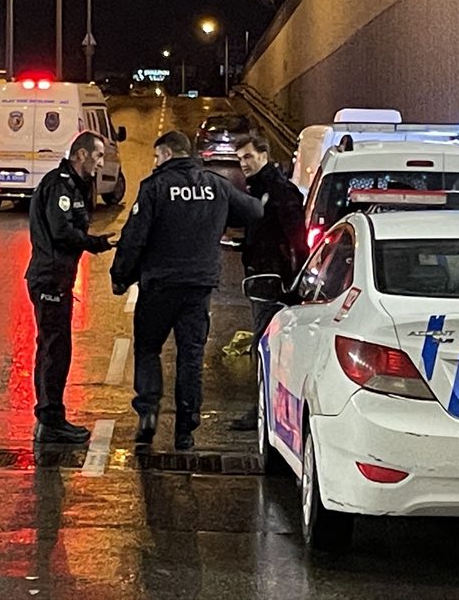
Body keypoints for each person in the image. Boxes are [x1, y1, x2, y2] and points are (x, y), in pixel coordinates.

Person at [111, 130, 262, 450]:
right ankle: (185, 429)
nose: (154, 162)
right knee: (190, 356)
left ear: (167, 154)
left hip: (159, 286)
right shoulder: (216, 186)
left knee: (149, 348)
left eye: (156, 156)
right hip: (199, 287)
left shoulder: (154, 188)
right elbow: (254, 211)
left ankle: (149, 413)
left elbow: (134, 237)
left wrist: (121, 276)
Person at [26, 131, 114, 444]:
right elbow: (62, 231)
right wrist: (97, 243)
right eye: (98, 156)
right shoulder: (59, 185)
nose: (101, 162)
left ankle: (50, 417)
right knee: (54, 348)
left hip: (58, 277)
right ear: (80, 155)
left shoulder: (75, 185)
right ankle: (50, 420)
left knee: (55, 346)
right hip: (49, 278)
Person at [229, 134, 308, 431]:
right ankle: (268, 406)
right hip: (262, 278)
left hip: (273, 283)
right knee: (267, 345)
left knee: (264, 346)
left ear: (264, 154)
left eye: (248, 157)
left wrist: (296, 278)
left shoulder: (278, 191)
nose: (244, 164)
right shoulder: (257, 189)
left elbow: (296, 239)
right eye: (240, 159)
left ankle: (263, 409)